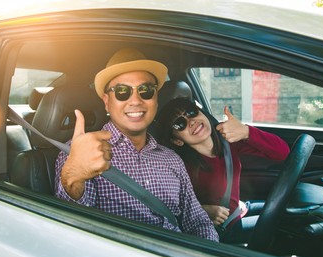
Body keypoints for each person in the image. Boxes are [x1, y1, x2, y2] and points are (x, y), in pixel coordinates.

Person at [54, 48, 219, 242]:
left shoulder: (172, 158)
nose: (135, 100)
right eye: (122, 91)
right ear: (107, 102)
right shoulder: (82, 152)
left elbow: (197, 221)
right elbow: (71, 228)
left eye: (146, 90)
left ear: (156, 99)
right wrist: (73, 175)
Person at [156, 97, 290, 244]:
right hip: (222, 229)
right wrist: (201, 210)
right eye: (179, 124)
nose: (191, 121)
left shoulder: (227, 140)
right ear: (177, 140)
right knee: (286, 226)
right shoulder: (179, 165)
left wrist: (246, 131)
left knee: (290, 211)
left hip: (239, 209)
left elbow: (282, 153)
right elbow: (166, 209)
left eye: (192, 112)